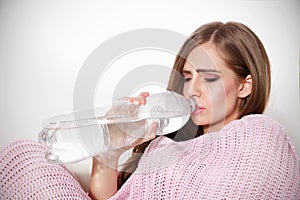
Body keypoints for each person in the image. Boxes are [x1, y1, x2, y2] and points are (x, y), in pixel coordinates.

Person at [0, 21, 299, 199]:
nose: (192, 90)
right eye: (187, 77)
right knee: (30, 157)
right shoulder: (164, 145)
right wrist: (110, 149)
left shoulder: (261, 137)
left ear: (245, 86)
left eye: (209, 77)